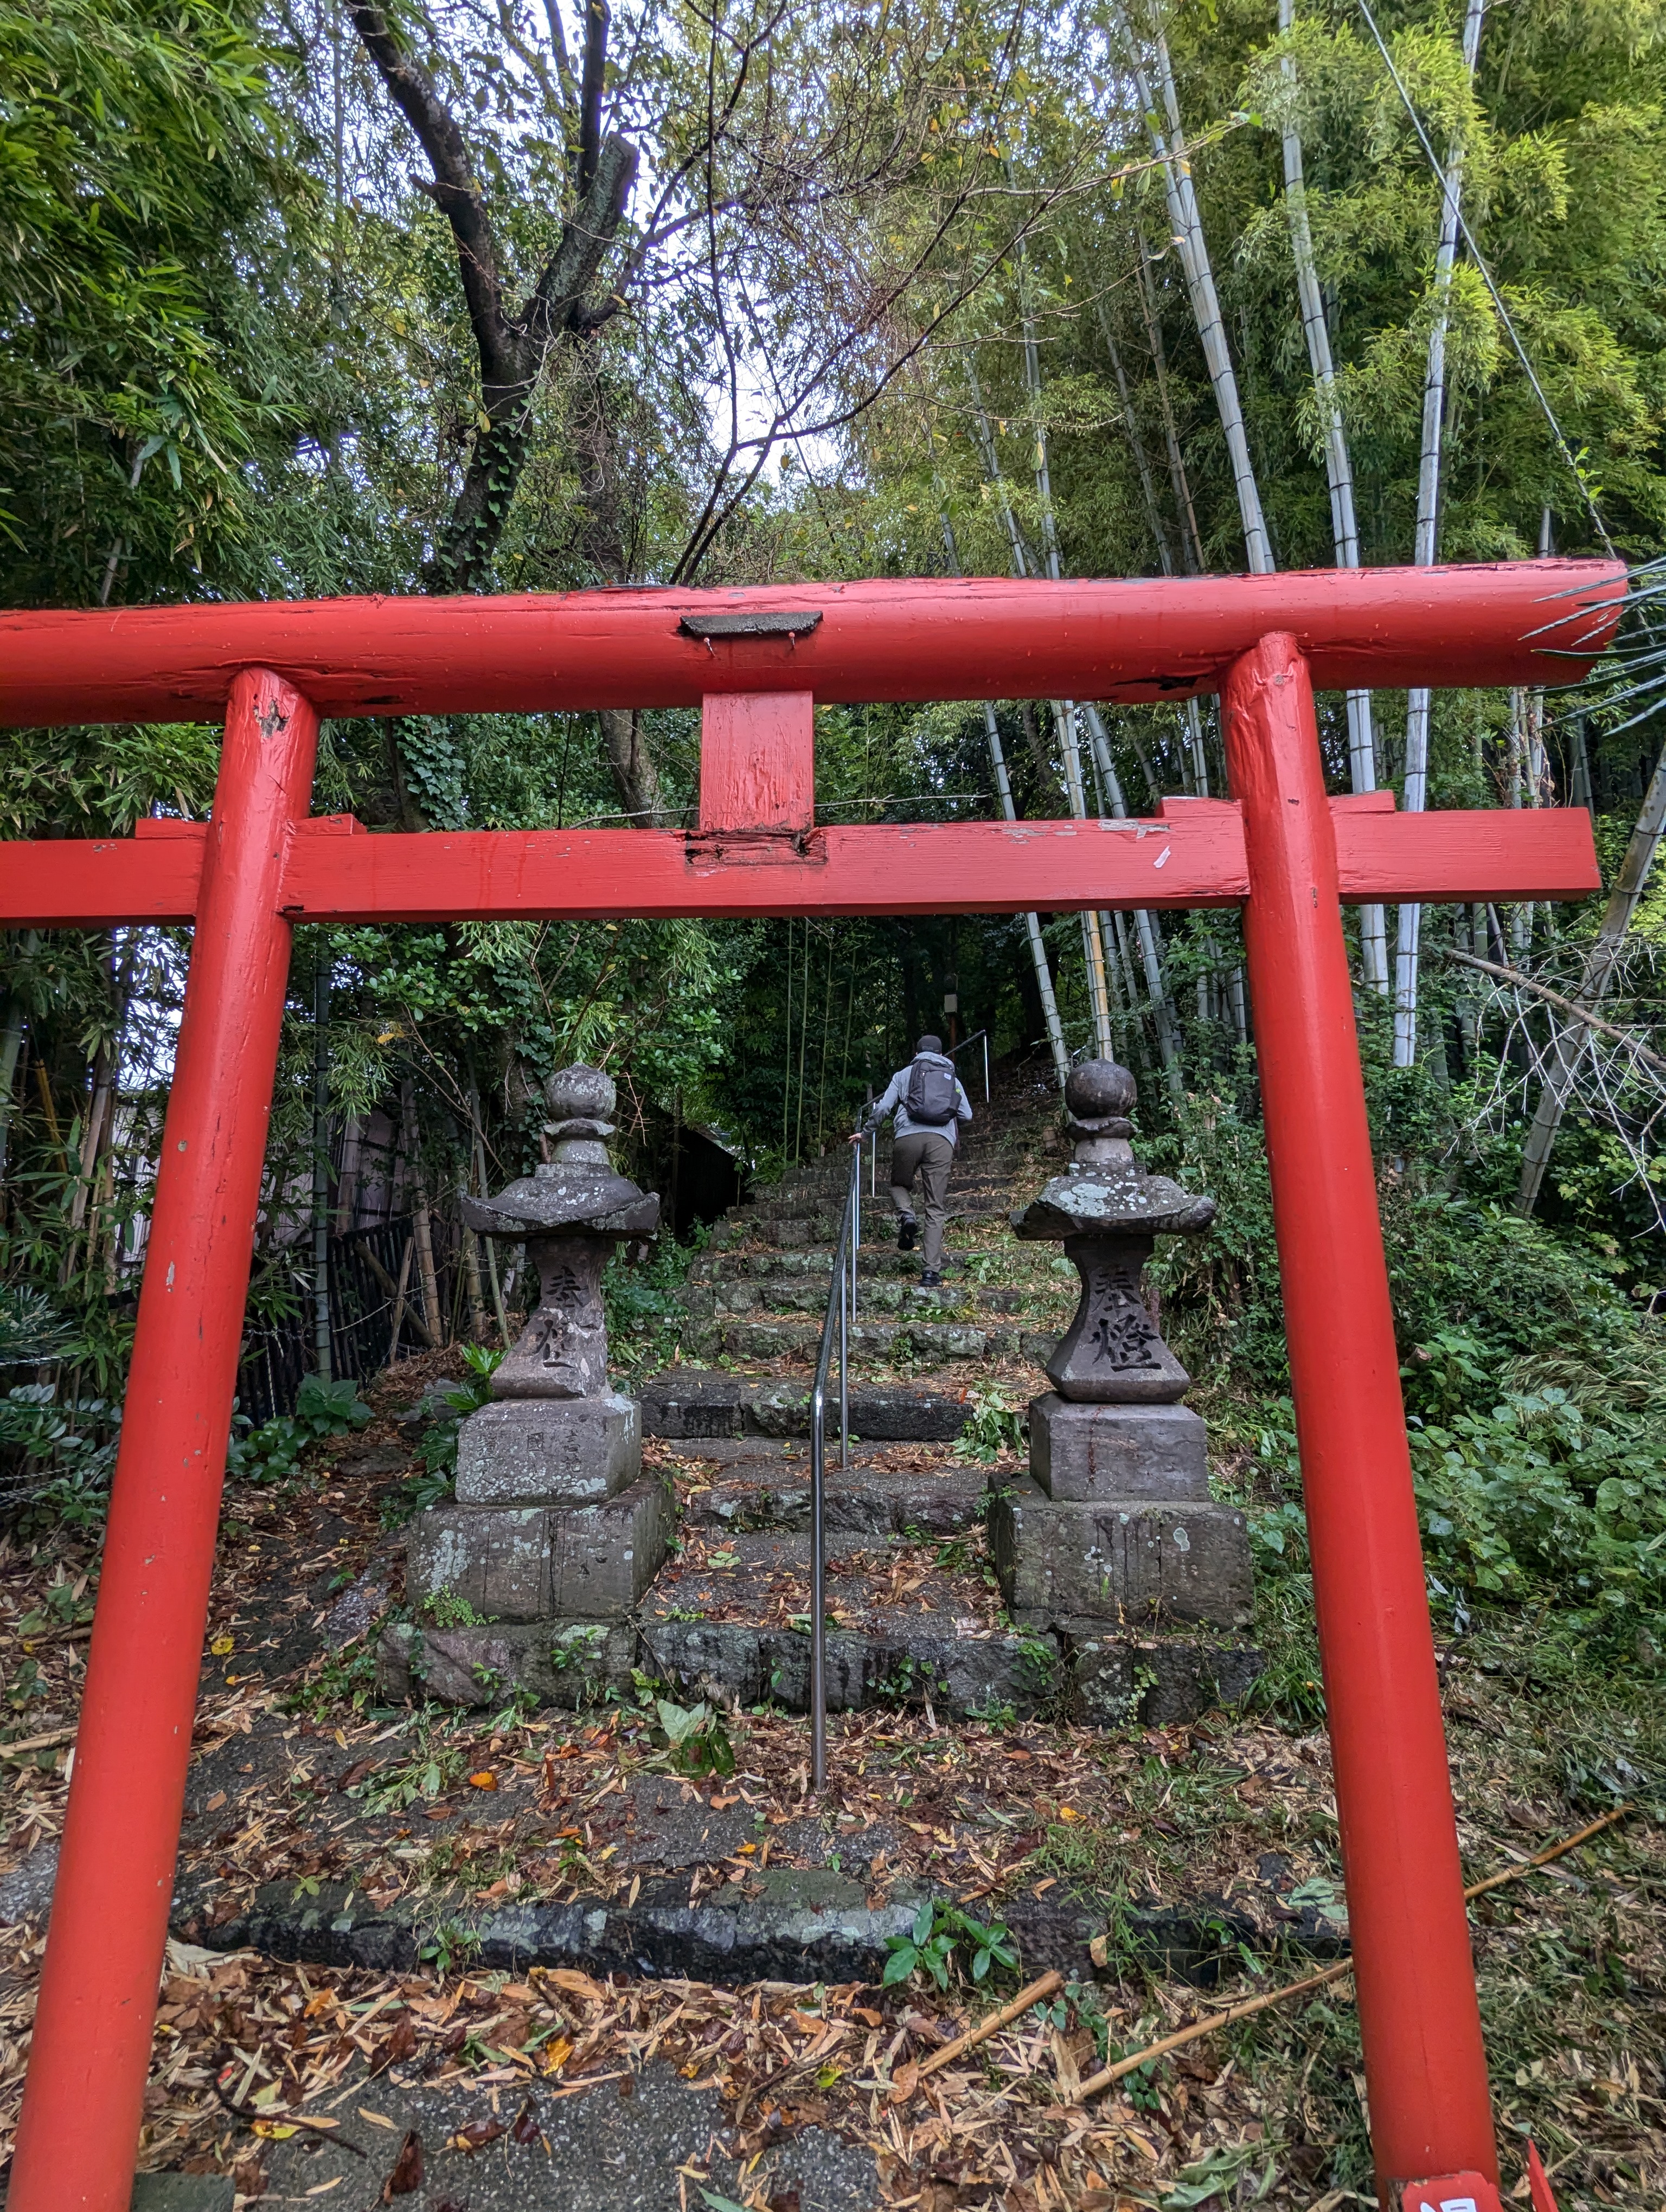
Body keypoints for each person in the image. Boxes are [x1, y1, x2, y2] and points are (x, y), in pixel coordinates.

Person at [863, 1034, 973, 1287]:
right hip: (941, 1143)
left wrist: (866, 1133)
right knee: (935, 1207)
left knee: (898, 1185)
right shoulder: (952, 1079)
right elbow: (967, 1114)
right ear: (941, 1054)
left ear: (916, 1052)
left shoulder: (904, 1074)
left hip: (907, 1139)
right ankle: (930, 1273)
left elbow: (882, 1109)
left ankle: (908, 1216)